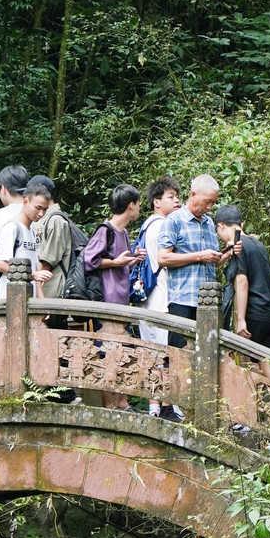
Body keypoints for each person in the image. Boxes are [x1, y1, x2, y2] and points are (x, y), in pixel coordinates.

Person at [159, 173, 226, 344]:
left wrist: (227, 254)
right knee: (179, 355)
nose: (210, 207)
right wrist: (199, 256)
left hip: (207, 301)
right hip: (182, 299)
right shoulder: (174, 220)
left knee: (206, 354)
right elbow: (163, 258)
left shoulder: (209, 223)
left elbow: (212, 262)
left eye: (213, 202)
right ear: (193, 194)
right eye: (207, 201)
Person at [135, 177, 180, 416]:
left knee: (152, 354)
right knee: (165, 355)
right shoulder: (164, 226)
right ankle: (166, 405)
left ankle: (154, 406)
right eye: (171, 197)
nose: (177, 202)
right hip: (161, 299)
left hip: (147, 299)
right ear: (156, 202)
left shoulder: (146, 226)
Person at [215, 203, 270, 350]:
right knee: (267, 364)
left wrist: (241, 319)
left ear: (221, 226)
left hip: (253, 315)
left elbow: (242, 281)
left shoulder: (239, 245)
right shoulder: (259, 245)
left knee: (245, 366)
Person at [0, 183, 51, 301]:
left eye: (44, 210)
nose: (41, 214)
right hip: (10, 300)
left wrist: (42, 301)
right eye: (38, 208)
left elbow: (35, 270)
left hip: (29, 300)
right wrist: (32, 274)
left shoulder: (33, 232)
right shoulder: (12, 228)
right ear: (25, 201)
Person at [83, 184, 142, 306]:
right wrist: (115, 262)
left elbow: (122, 264)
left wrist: (134, 259)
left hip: (122, 299)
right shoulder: (105, 230)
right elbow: (89, 261)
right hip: (107, 300)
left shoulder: (124, 232)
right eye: (138, 204)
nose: (139, 208)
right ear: (131, 205)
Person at [26, 174, 72, 299]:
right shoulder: (41, 218)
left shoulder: (56, 220)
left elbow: (48, 261)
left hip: (51, 292)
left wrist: (31, 276)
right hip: (40, 290)